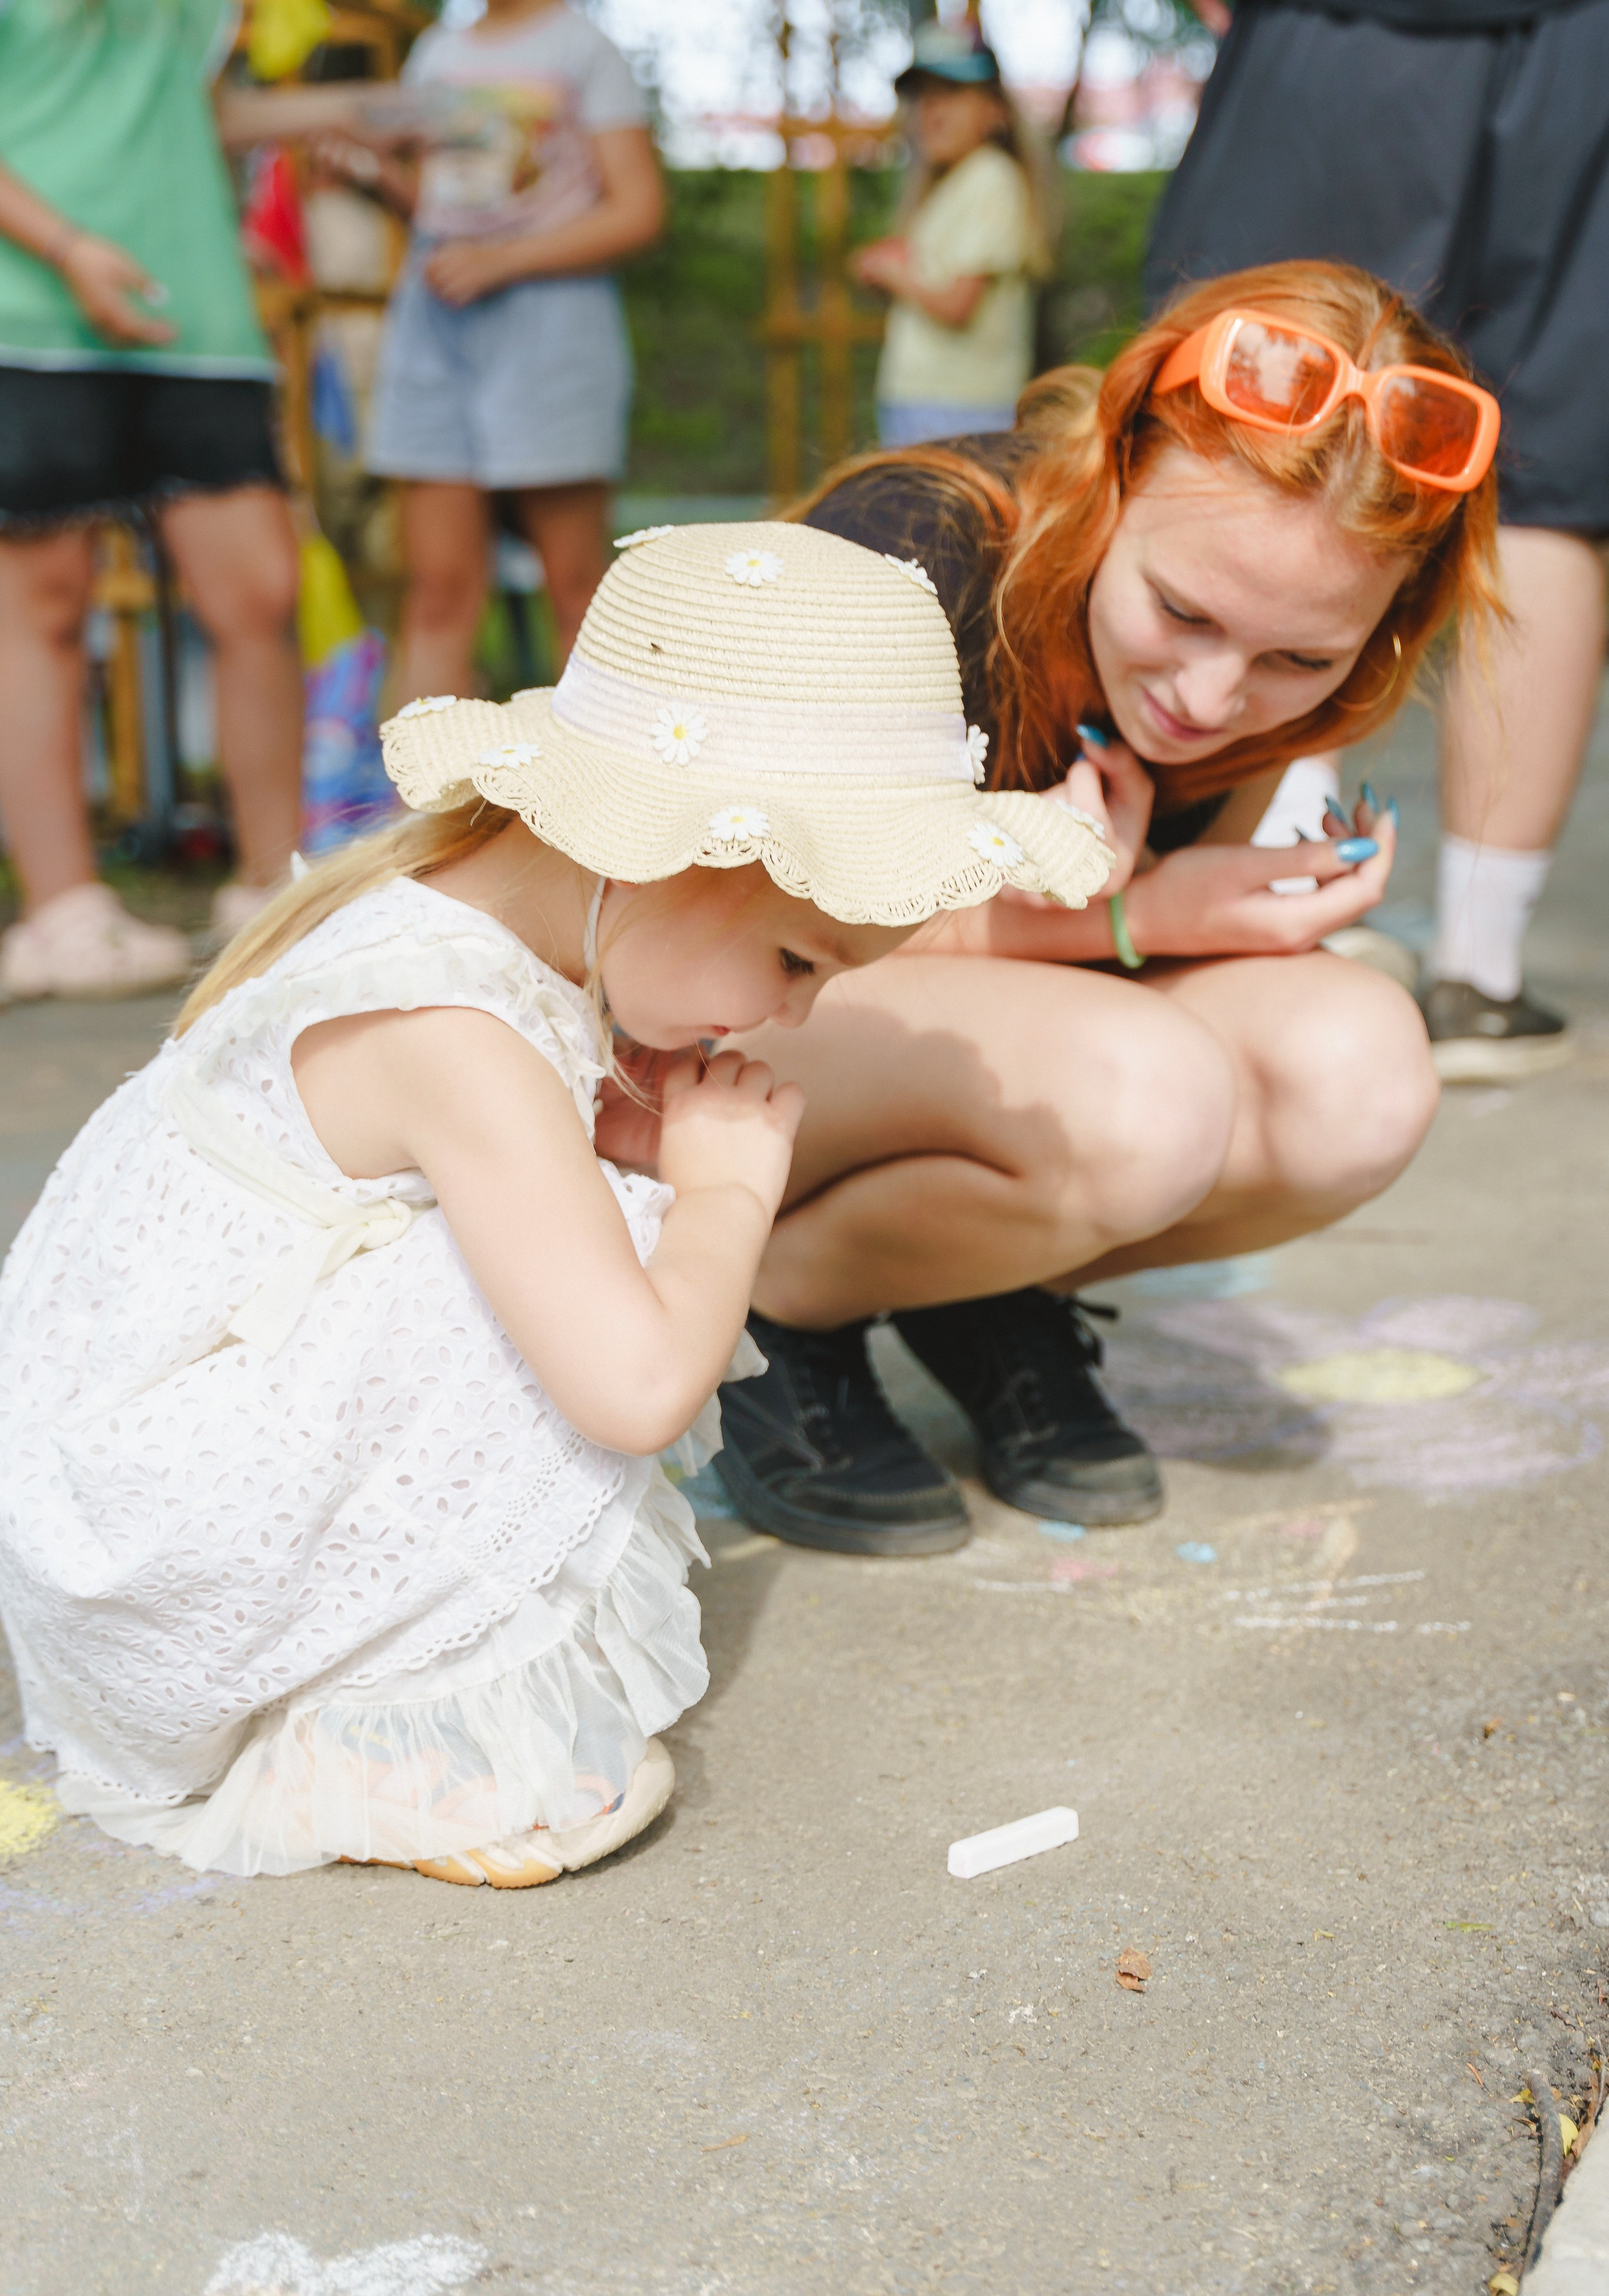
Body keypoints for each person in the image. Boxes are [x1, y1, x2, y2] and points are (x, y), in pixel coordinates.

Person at [0, 522, 1106, 1884]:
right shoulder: (457, 1033)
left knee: (576, 1222)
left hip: (120, 1486)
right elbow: (633, 1387)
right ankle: (358, 1743)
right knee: (606, 1268)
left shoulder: (445, 913)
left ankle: (380, 1677)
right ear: (664, 855)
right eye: (791, 958)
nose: (789, 1015)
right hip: (146, 1563)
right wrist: (724, 1193)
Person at [708, 260, 1500, 1560]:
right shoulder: (917, 547)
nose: (1208, 695)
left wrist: (1166, 911)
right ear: (1116, 465)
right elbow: (723, 949)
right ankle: (767, 1305)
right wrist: (1140, 912)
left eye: (1298, 659)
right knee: (1148, 1104)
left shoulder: (1243, 679)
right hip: (691, 1054)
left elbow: (1096, 982)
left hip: (901, 1050)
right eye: (1180, 611)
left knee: (1356, 1073)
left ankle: (964, 1279)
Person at [1118, 0, 1609, 1082]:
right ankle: (1477, 974)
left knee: (1264, 397)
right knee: (1546, 483)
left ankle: (1283, 916)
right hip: (1591, 4)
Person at [0, 0, 304, 1000]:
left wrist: (355, 115)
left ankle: (276, 886)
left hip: (197, 311)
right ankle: (62, 913)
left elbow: (180, 111)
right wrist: (72, 247)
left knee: (259, 589)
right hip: (34, 304)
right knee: (41, 603)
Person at [319, 0, 662, 697]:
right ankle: (427, 816)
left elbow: (639, 211)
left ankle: (594, 816)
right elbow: (449, 210)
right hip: (438, 331)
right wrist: (375, 181)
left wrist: (503, 264)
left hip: (551, 334)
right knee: (438, 591)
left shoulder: (585, 50)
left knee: (576, 590)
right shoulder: (438, 52)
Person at [852, 23, 1053, 448]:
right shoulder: (952, 184)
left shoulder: (992, 177)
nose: (931, 110)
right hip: (927, 404)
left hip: (960, 408)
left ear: (995, 109)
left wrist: (892, 272)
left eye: (952, 93)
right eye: (922, 96)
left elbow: (958, 305)